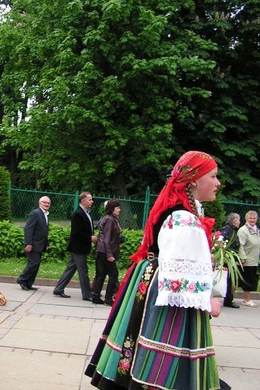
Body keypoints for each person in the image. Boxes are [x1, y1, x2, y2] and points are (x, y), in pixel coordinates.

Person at [86, 151, 224, 390]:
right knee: (167, 356)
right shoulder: (183, 217)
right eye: (213, 176)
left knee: (137, 343)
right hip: (168, 291)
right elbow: (178, 271)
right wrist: (206, 299)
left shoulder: (181, 209)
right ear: (194, 180)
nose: (217, 183)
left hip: (151, 280)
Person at [53, 192, 96, 300]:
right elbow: (77, 232)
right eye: (90, 199)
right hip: (78, 247)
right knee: (83, 271)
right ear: (83, 201)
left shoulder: (86, 213)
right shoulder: (78, 214)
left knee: (71, 268)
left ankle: (58, 289)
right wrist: (90, 238)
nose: (92, 201)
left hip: (80, 247)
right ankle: (87, 294)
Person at [91, 199, 122, 306]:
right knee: (114, 274)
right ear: (112, 209)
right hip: (106, 252)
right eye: (117, 208)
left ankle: (96, 296)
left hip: (101, 250)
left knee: (101, 274)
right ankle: (108, 298)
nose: (119, 210)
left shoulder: (109, 219)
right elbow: (107, 239)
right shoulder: (110, 220)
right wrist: (109, 254)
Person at [17, 196, 52, 290]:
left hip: (40, 244)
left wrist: (47, 244)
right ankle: (22, 280)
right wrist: (28, 243)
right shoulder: (35, 213)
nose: (47, 204)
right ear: (39, 203)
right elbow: (28, 228)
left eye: (48, 203)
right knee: (34, 263)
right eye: (44, 202)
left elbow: (44, 231)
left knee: (36, 264)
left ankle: (29, 283)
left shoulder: (45, 214)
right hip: (32, 244)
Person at [237, 210, 260, 308]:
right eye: (250, 218)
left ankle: (246, 299)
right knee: (246, 280)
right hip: (246, 260)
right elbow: (240, 245)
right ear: (246, 219)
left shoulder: (256, 229)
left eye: (254, 218)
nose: (252, 220)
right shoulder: (243, 230)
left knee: (251, 279)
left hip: (254, 259)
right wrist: (243, 258)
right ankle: (246, 300)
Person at [220, 212, 241, 308]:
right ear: (234, 220)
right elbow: (221, 241)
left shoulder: (232, 230)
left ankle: (228, 299)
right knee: (229, 280)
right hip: (227, 259)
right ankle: (228, 300)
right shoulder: (228, 229)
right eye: (238, 220)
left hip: (231, 258)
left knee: (230, 280)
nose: (239, 222)